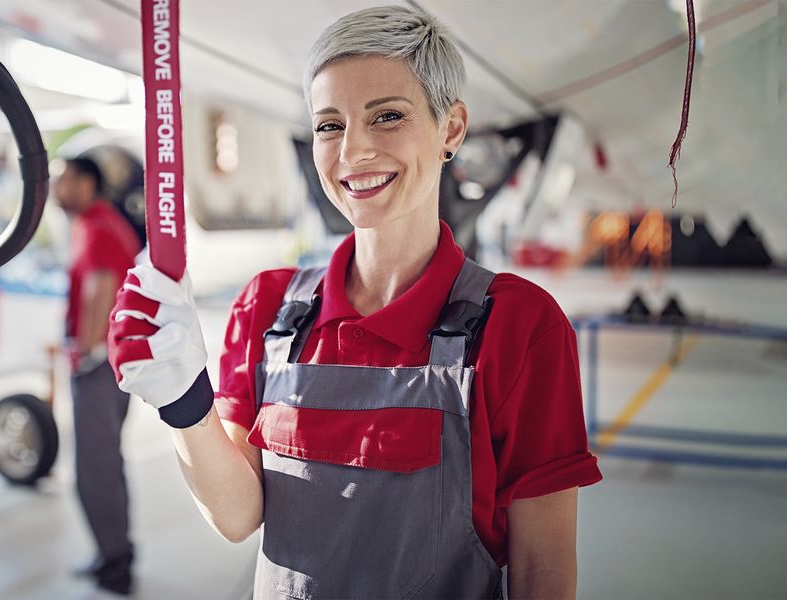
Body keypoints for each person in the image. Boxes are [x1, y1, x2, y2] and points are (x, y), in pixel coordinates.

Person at [108, 6, 602, 598]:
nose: (353, 152)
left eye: (387, 116)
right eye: (329, 125)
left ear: (450, 128)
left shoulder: (520, 326)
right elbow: (237, 517)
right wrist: (184, 404)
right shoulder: (268, 309)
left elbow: (543, 569)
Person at [54, 157, 142, 596]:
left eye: (62, 178)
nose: (54, 187)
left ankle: (115, 565)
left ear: (87, 182)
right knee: (102, 464)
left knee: (97, 469)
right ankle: (112, 553)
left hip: (98, 368)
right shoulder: (95, 223)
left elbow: (101, 288)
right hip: (104, 364)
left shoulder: (98, 226)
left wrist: (85, 353)